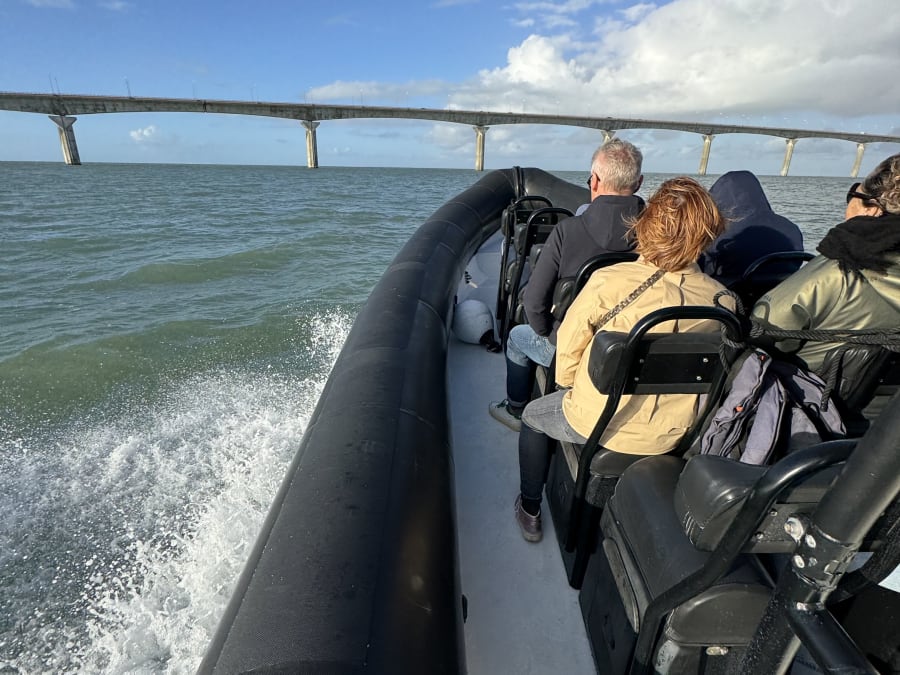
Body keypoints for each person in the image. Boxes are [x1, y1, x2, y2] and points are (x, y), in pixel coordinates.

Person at [514, 177, 731, 542]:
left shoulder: (608, 281)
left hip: (598, 421)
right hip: (675, 432)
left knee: (533, 418)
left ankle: (530, 508)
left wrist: (570, 386)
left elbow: (566, 354)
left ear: (645, 226)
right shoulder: (724, 301)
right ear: (706, 235)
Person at [489, 139, 645, 431]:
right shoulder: (657, 236)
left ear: (595, 181)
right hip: (634, 348)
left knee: (517, 338)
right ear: (638, 183)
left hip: (571, 347)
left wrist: (553, 336)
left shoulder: (567, 232)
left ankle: (515, 408)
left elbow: (534, 304)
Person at [752, 153, 900, 373]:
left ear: (872, 208)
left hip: (819, 397)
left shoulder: (841, 269)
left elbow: (765, 328)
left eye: (854, 193)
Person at [700, 170, 804, 286]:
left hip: (730, 297)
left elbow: (703, 270)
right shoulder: (791, 229)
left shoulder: (718, 232)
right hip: (782, 295)